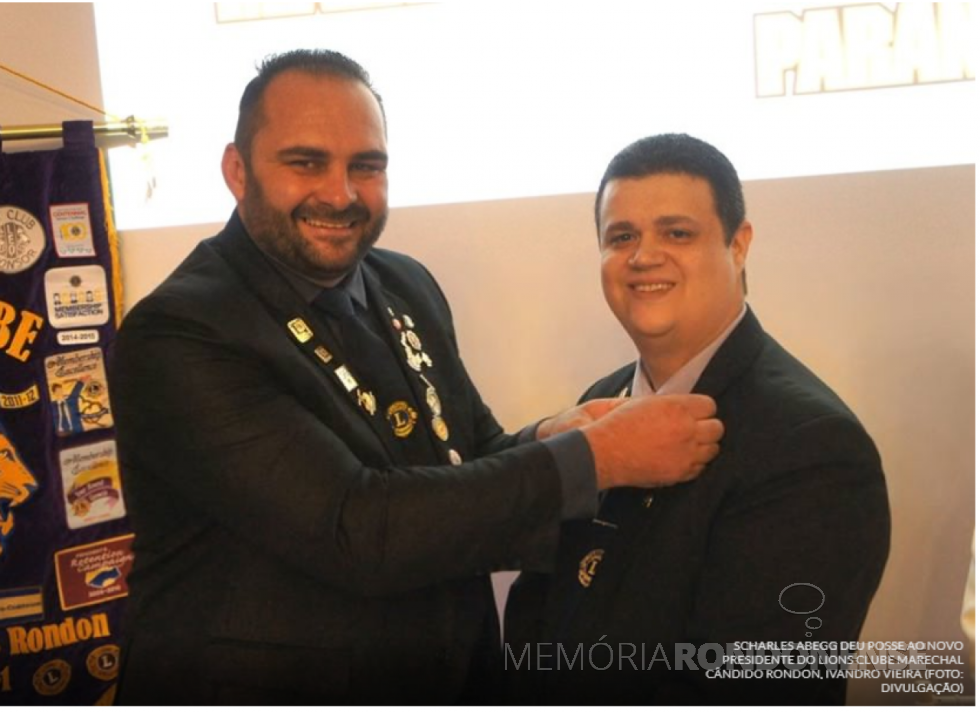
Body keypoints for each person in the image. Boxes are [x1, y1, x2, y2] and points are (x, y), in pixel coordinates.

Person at [107, 52, 724, 704]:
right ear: (237, 170)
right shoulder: (180, 332)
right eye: (306, 162)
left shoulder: (404, 283)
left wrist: (553, 435)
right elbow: (359, 528)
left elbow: (469, 456)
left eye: (366, 166)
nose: (341, 193)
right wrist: (595, 459)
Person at [505, 133, 891, 705]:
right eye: (621, 236)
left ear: (739, 245)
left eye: (676, 233)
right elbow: (535, 613)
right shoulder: (599, 401)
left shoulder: (814, 448)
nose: (643, 256)